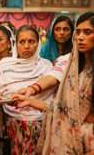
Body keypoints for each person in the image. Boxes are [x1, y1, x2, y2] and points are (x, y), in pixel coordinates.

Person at [13, 12, 94, 155]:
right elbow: (61, 109)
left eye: (88, 32)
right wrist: (29, 100)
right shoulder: (71, 64)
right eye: (79, 32)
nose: (80, 37)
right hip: (68, 142)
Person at [0, 26, 54, 155]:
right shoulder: (5, 66)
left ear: (38, 43)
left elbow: (52, 98)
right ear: (15, 44)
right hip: (12, 124)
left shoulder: (47, 66)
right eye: (22, 42)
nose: (26, 46)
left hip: (43, 125)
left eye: (31, 41)